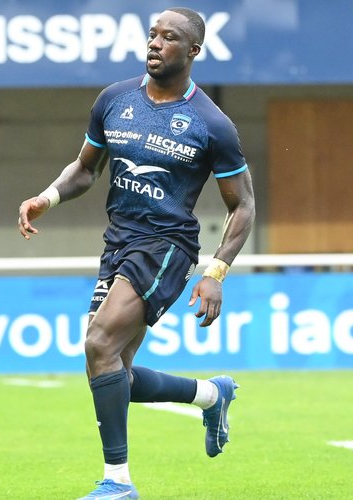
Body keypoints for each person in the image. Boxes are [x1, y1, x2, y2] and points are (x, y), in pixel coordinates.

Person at [17, 7, 255, 499]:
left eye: (169, 37)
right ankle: (211, 394)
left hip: (167, 245)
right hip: (119, 241)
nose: (155, 43)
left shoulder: (212, 124)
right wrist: (47, 198)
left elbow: (244, 205)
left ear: (193, 51)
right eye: (152, 34)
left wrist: (216, 273)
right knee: (112, 369)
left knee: (99, 344)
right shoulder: (114, 99)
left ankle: (118, 483)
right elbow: (85, 169)